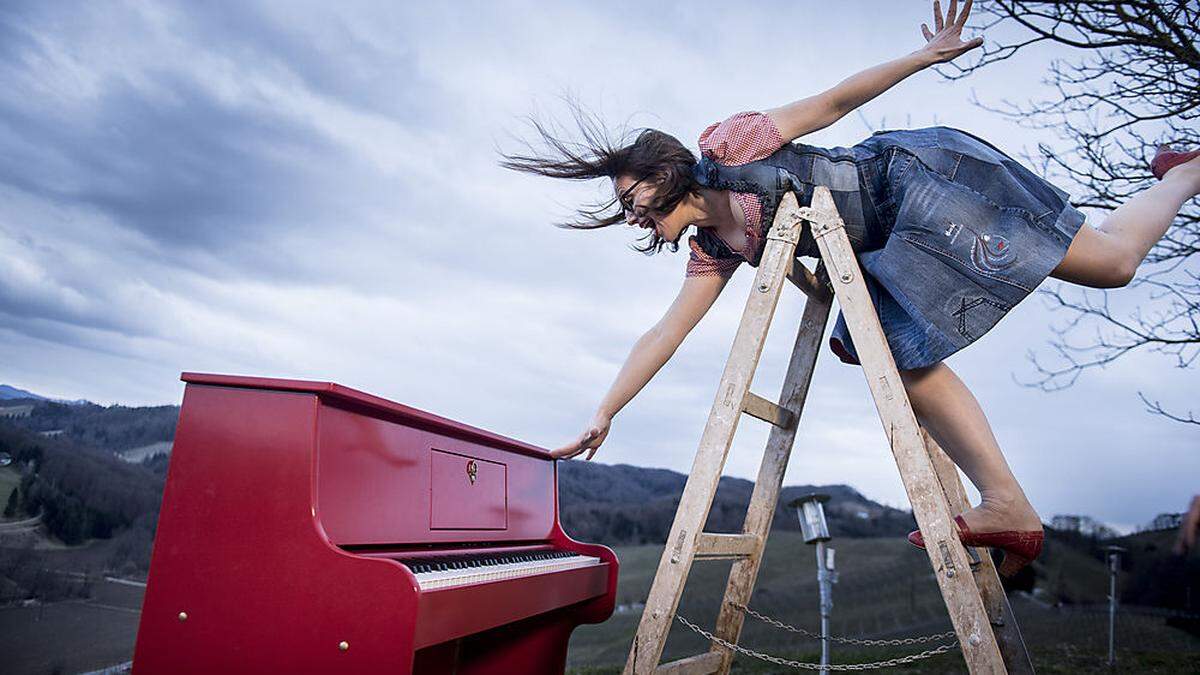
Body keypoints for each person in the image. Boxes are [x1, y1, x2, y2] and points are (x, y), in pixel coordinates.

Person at [501, 0, 1200, 576]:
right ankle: (1009, 504)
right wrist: (607, 410)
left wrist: (922, 58)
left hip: (913, 184)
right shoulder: (715, 248)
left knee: (1111, 265)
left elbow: (832, 103)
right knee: (900, 352)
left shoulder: (731, 146)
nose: (630, 214)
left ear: (664, 170)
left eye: (632, 195)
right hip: (879, 245)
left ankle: (1184, 172)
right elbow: (665, 333)